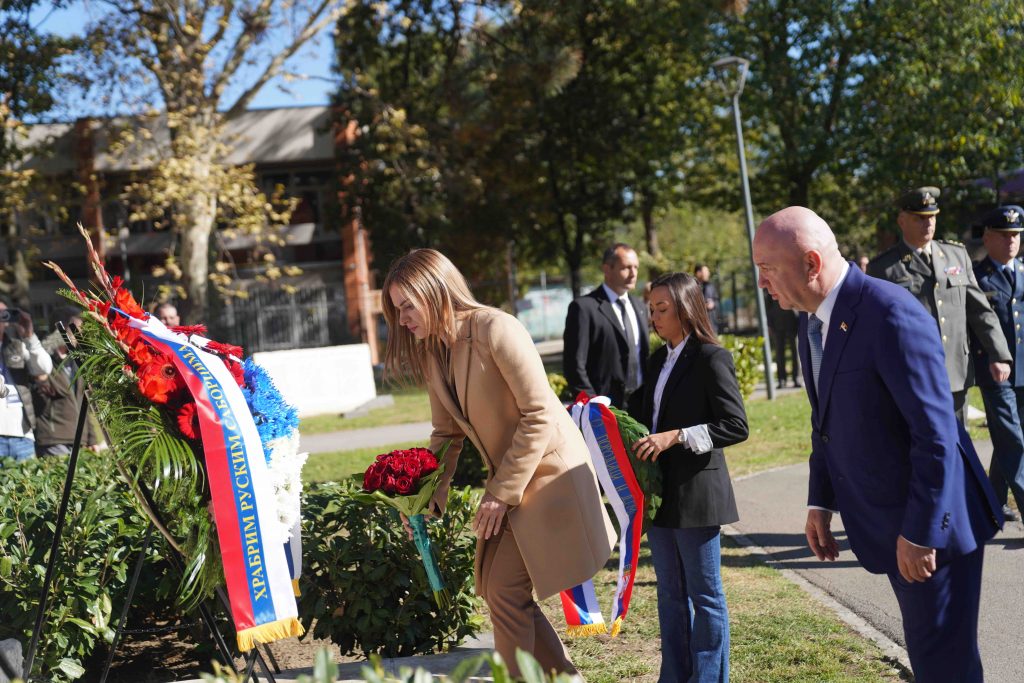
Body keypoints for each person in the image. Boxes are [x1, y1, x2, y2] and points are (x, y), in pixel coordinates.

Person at [753, 206, 1001, 683]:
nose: (762, 283)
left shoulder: (890, 313)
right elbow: (824, 420)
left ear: (810, 263)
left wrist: (921, 531)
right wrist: (820, 500)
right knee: (932, 662)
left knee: (945, 668)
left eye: (767, 269)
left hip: (931, 530)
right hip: (892, 526)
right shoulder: (813, 322)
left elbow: (936, 434)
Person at [382, 249, 615, 677]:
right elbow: (445, 435)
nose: (402, 320)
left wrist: (500, 493)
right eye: (396, 310)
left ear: (435, 292)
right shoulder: (434, 352)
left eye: (407, 306)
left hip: (548, 476)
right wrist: (420, 497)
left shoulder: (497, 328)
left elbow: (540, 413)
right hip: (512, 481)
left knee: (504, 590)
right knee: (496, 589)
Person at [631, 271, 748, 683]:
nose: (654, 317)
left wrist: (677, 437)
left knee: (706, 596)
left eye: (662, 309)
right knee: (669, 596)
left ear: (686, 308)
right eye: (651, 309)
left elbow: (735, 425)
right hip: (661, 497)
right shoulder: (656, 360)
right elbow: (642, 418)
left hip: (698, 495)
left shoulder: (711, 357)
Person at [867, 186, 1010, 424]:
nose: (928, 224)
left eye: (932, 217)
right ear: (902, 221)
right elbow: (875, 328)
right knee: (918, 446)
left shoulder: (956, 255)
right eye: (920, 218)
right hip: (911, 373)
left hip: (955, 370)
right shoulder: (884, 268)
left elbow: (980, 310)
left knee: (957, 444)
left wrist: (999, 354)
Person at [970, 205, 1024, 524]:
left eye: (1016, 236)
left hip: (1023, 372)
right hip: (994, 372)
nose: (1011, 242)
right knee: (1014, 439)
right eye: (1004, 236)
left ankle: (991, 502)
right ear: (988, 238)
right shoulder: (977, 278)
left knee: (1010, 438)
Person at [563, 243, 649, 408]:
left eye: (636, 267)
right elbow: (574, 365)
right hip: (604, 410)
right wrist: (593, 405)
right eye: (626, 267)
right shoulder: (584, 308)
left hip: (641, 405)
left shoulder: (639, 306)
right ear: (607, 269)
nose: (633, 273)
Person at [33, 308, 102, 456]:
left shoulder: (77, 361)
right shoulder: (43, 356)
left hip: (78, 437)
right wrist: (57, 338)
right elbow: (38, 354)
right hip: (53, 437)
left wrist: (91, 439)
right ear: (59, 328)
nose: (79, 335)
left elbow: (84, 401)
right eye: (74, 329)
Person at [0, 300, 54, 461]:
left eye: (4, 313)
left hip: (22, 435)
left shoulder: (16, 346)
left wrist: (29, 336)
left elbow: (44, 368)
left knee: (28, 483)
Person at [766, 293, 801, 389]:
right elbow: (767, 306)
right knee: (779, 353)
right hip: (777, 323)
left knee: (796, 353)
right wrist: (769, 324)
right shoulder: (770, 282)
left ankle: (796, 378)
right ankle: (781, 379)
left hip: (792, 321)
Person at [694, 264, 721, 333]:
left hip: (712, 324)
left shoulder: (710, 286)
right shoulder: (693, 288)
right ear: (698, 273)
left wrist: (713, 304)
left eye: (708, 271)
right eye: (705, 271)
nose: (708, 274)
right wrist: (703, 306)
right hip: (699, 325)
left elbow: (717, 301)